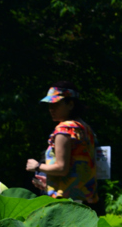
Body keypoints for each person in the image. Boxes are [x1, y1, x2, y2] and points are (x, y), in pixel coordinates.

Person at [25, 81, 102, 215]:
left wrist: (37, 166)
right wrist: (49, 182)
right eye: (49, 105)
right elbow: (77, 169)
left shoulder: (64, 129)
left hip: (65, 204)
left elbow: (61, 168)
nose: (51, 109)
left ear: (70, 104)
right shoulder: (84, 128)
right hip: (85, 201)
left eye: (56, 104)